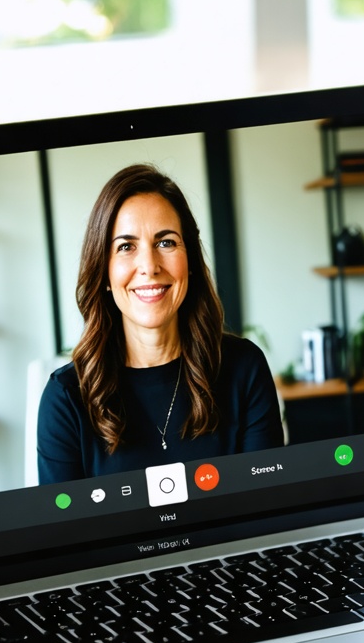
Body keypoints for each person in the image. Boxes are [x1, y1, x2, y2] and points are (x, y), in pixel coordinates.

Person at [37, 164, 284, 484]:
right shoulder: (66, 398)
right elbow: (67, 533)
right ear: (105, 273)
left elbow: (266, 505)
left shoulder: (244, 369)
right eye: (126, 247)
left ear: (190, 260)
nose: (149, 266)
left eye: (166, 242)